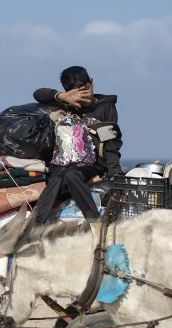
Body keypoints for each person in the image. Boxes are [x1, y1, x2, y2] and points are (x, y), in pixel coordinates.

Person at [31, 65, 123, 224]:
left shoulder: (106, 108)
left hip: (93, 163)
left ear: (92, 83)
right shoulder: (67, 106)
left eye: (86, 88)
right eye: (77, 92)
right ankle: (35, 223)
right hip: (65, 161)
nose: (84, 95)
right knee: (57, 176)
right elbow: (38, 94)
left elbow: (110, 142)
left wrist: (115, 172)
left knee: (71, 175)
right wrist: (63, 97)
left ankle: (94, 220)